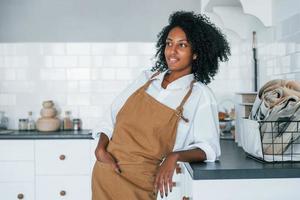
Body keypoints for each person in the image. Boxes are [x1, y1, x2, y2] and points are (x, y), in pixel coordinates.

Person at [92, 11, 230, 200]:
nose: (172, 51)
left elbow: (209, 148)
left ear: (196, 53)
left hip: (142, 184)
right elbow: (110, 117)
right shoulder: (146, 79)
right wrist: (100, 149)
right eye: (169, 43)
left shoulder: (200, 95)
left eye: (182, 45)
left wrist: (174, 156)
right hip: (105, 175)